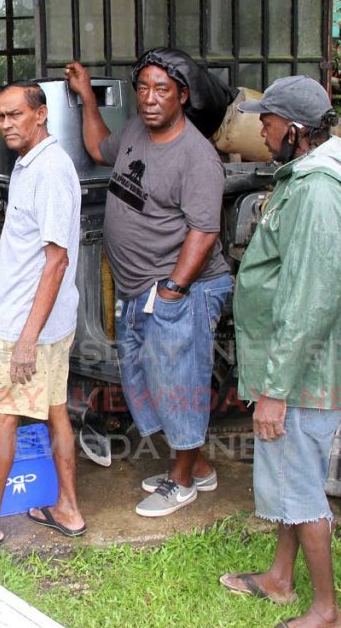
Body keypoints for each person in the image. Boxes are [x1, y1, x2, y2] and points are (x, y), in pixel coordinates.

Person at [222, 75, 341, 628]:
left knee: (302, 487)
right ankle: (281, 580)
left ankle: (326, 612)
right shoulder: (310, 178)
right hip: (297, 365)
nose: (261, 129)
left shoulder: (318, 193)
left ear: (295, 129)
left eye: (268, 121)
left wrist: (275, 389)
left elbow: (312, 300)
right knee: (294, 476)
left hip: (303, 372)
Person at [65, 50, 232, 518]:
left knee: (178, 385)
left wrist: (174, 289)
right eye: (143, 88)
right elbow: (100, 149)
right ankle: (197, 467)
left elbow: (204, 231)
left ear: (182, 96)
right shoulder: (138, 132)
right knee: (150, 385)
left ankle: (180, 483)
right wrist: (86, 100)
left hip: (182, 291)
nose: (150, 99)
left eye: (162, 90)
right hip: (141, 289)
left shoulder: (196, 156)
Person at [0, 81, 85, 548]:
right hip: (46, 322)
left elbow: (56, 260)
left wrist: (27, 338)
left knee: (2, 419)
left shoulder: (49, 171)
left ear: (41, 114)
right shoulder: (31, 166)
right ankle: (67, 509)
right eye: (0, 117)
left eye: (15, 115)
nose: (6, 124)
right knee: (55, 410)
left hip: (32, 327)